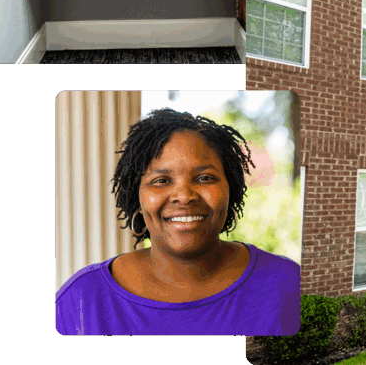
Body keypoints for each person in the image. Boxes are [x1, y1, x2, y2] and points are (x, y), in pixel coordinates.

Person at [55, 108, 300, 335]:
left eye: (205, 178)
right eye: (161, 180)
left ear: (232, 189)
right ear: (137, 197)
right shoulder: (81, 300)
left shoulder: (289, 286)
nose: (184, 196)